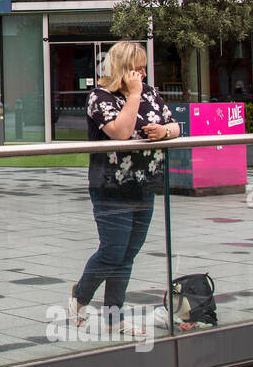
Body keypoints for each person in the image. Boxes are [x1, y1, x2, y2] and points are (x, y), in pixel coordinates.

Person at [70, 40, 180, 334]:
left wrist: (164, 131)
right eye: (137, 67)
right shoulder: (99, 97)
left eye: (144, 67)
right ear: (123, 68)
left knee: (129, 253)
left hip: (145, 184)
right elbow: (119, 132)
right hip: (111, 186)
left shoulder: (150, 92)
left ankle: (113, 318)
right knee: (112, 250)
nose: (143, 73)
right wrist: (133, 96)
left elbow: (175, 125)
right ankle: (80, 297)